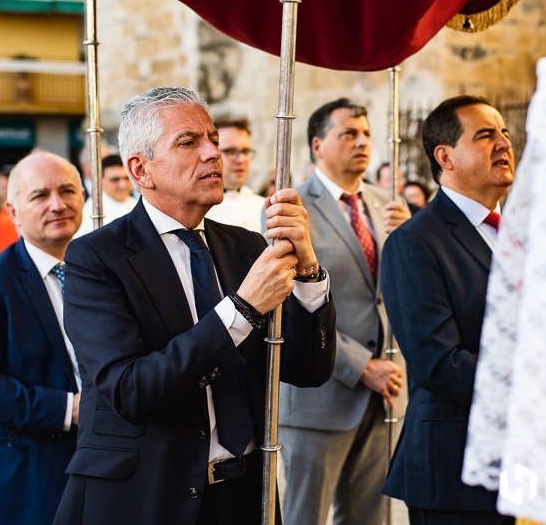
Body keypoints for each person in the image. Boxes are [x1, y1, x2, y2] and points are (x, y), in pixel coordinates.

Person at [52, 86, 336, 525]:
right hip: (147, 496)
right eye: (188, 142)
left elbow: (308, 370)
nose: (212, 155)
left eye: (214, 140)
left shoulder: (246, 247)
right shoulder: (96, 257)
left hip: (244, 494)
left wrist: (309, 271)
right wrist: (241, 310)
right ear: (140, 169)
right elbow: (130, 389)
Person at [380, 96, 516, 525]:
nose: (503, 143)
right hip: (455, 472)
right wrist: (535, 383)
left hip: (524, 461)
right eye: (485, 135)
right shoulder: (416, 242)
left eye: (505, 132)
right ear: (445, 157)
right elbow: (439, 363)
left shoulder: (520, 233)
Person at [277, 98, 409, 525]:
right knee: (305, 518)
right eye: (348, 133)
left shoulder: (385, 205)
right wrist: (359, 364)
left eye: (367, 134)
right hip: (320, 396)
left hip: (382, 395)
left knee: (370, 518)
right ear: (318, 144)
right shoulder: (293, 207)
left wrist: (409, 238)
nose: (362, 142)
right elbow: (289, 302)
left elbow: (392, 293)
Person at [0, 151, 85, 525]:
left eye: (67, 191)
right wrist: (72, 409)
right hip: (32, 482)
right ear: (13, 213)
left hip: (113, 471)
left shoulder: (101, 267)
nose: (58, 205)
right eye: (40, 196)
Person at [204, 118, 266, 232]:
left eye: (245, 151)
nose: (241, 159)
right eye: (231, 151)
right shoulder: (199, 209)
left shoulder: (264, 206)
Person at [75, 154, 136, 236]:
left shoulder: (137, 203)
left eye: (127, 178)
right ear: (100, 181)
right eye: (115, 180)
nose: (123, 185)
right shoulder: (91, 212)